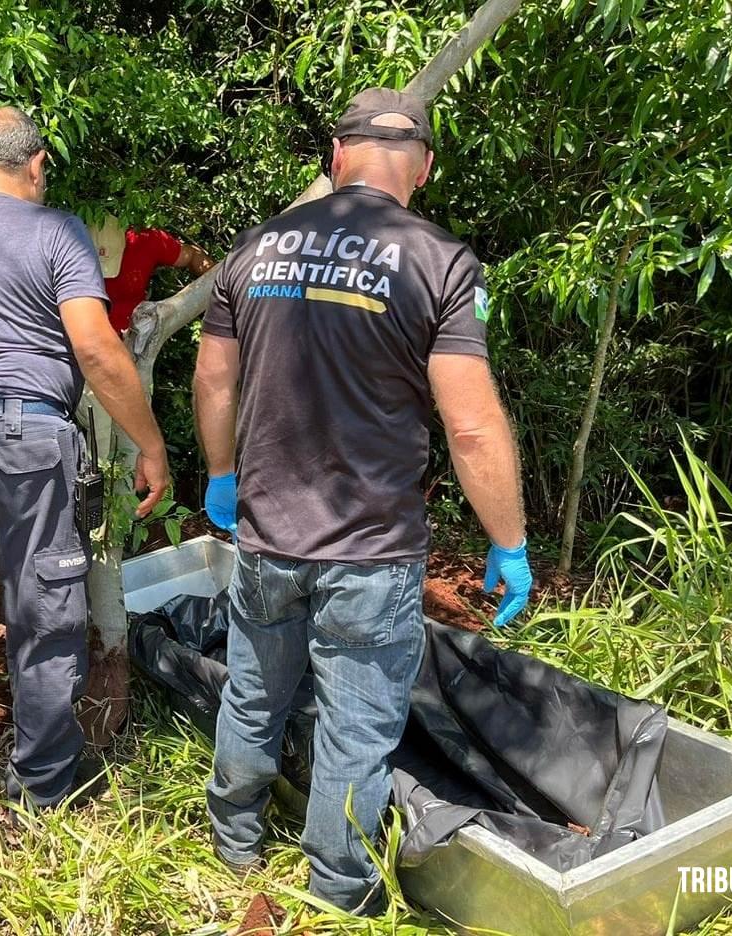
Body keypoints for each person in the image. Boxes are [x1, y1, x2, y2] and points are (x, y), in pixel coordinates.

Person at [193, 88, 534, 915]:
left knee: (252, 689)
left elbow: (213, 376)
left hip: (269, 536)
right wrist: (509, 542)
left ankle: (233, 844)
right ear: (422, 168)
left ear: (336, 158)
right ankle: (338, 892)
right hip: (371, 548)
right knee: (356, 727)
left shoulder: (255, 249)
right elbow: (474, 426)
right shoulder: (439, 261)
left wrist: (221, 474)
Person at [0, 107, 171, 812]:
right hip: (25, 441)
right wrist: (150, 443)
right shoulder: (56, 231)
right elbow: (96, 348)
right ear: (37, 164)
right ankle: (43, 786)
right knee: (46, 616)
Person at [88, 214, 215, 333]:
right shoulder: (71, 241)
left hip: (133, 341)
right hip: (79, 343)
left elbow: (192, 255)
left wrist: (225, 286)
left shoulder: (145, 239)